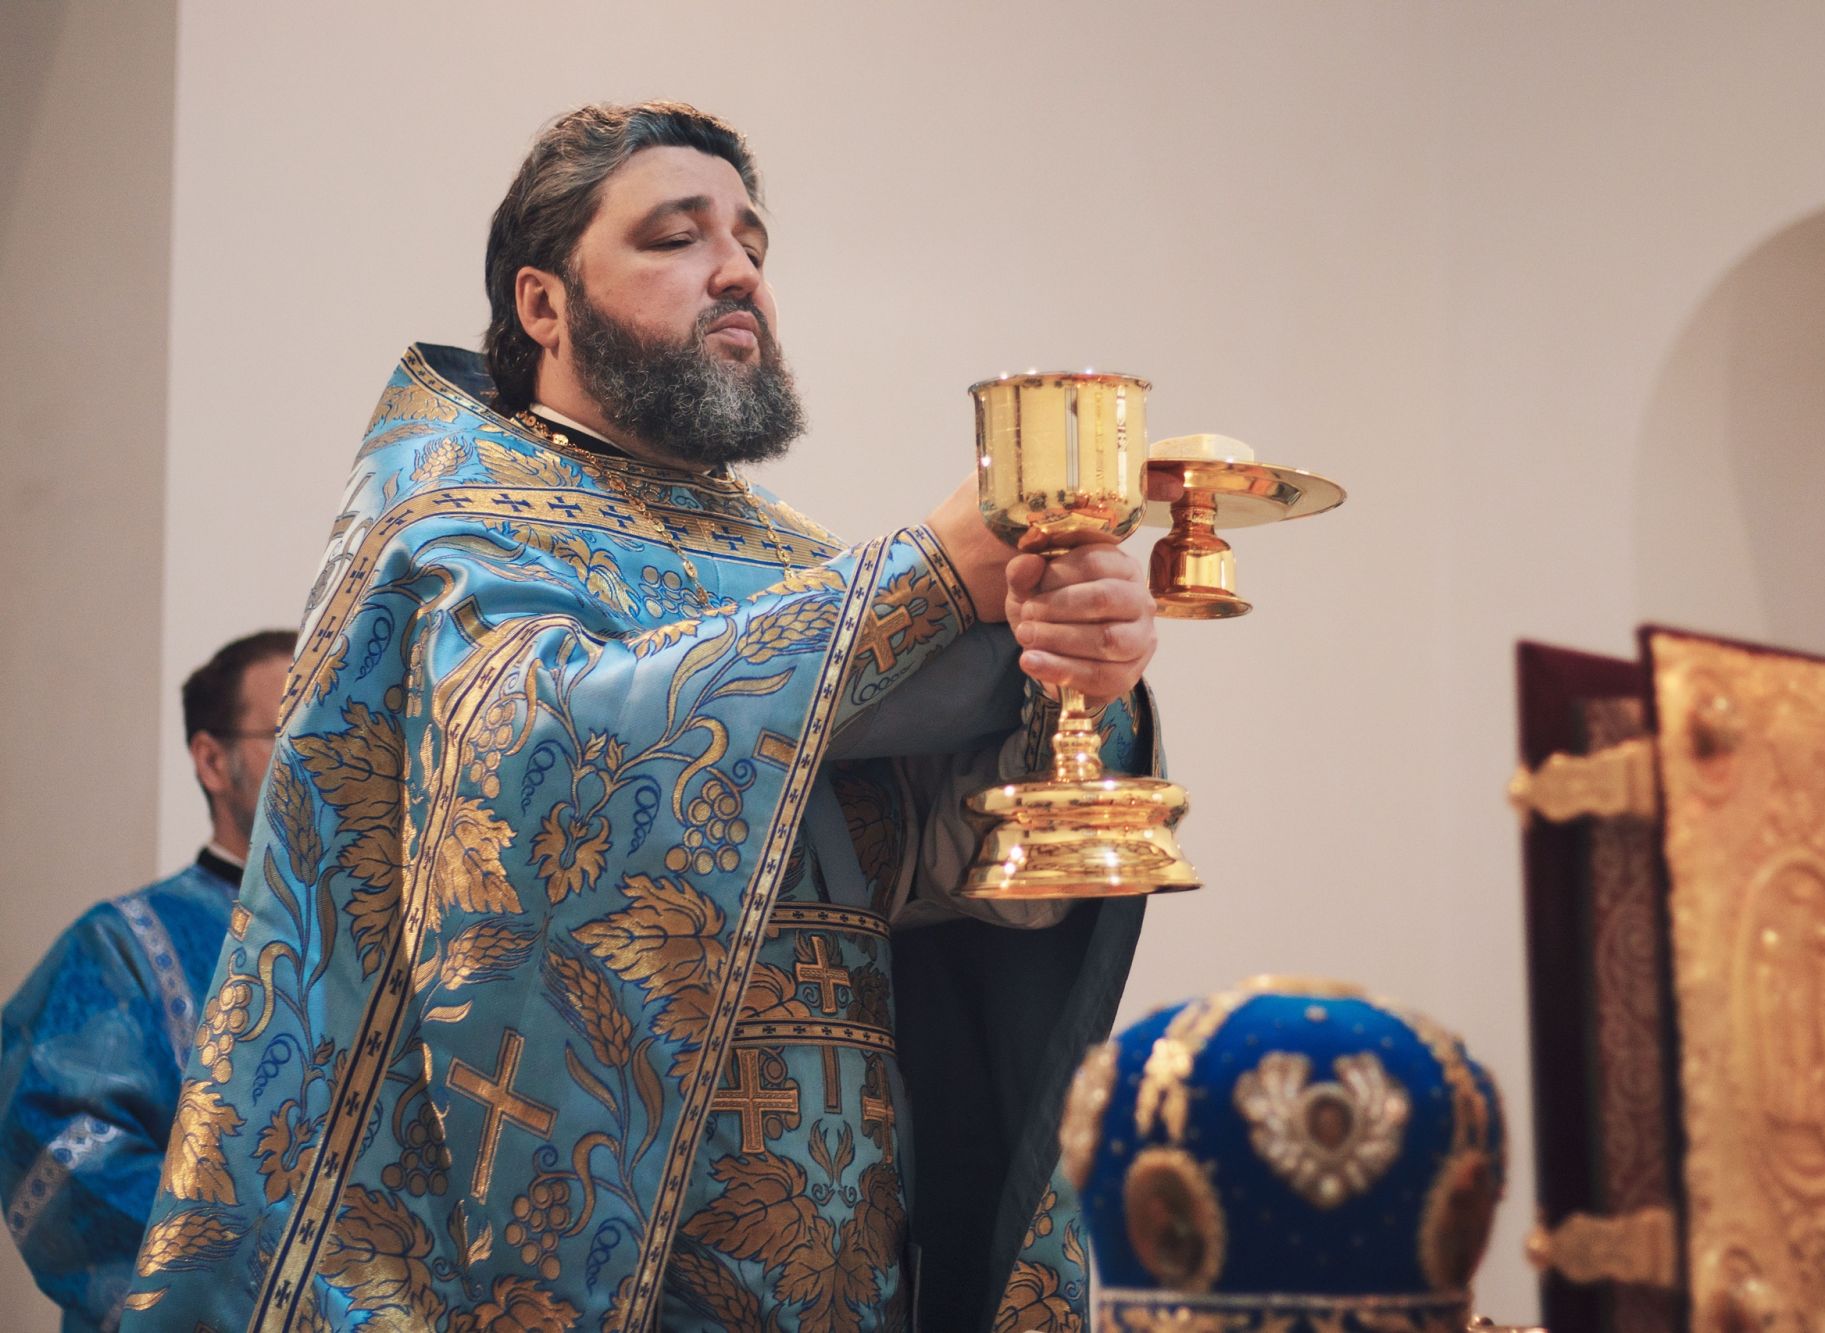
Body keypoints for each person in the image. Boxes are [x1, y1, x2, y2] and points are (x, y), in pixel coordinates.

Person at [126, 102, 1165, 1331]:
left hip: (845, 1249)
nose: (736, 272)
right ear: (543, 302)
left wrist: (1071, 691)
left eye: (751, 244)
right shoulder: (453, 525)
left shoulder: (796, 561)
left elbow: (923, 863)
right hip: (569, 1255)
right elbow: (539, 772)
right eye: (676, 238)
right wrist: (922, 580)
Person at [1, 628, 295, 1330]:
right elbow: (56, 1149)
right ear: (213, 761)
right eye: (292, 735)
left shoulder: (388, 955)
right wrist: (272, 1278)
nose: (326, 764)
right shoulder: (120, 946)